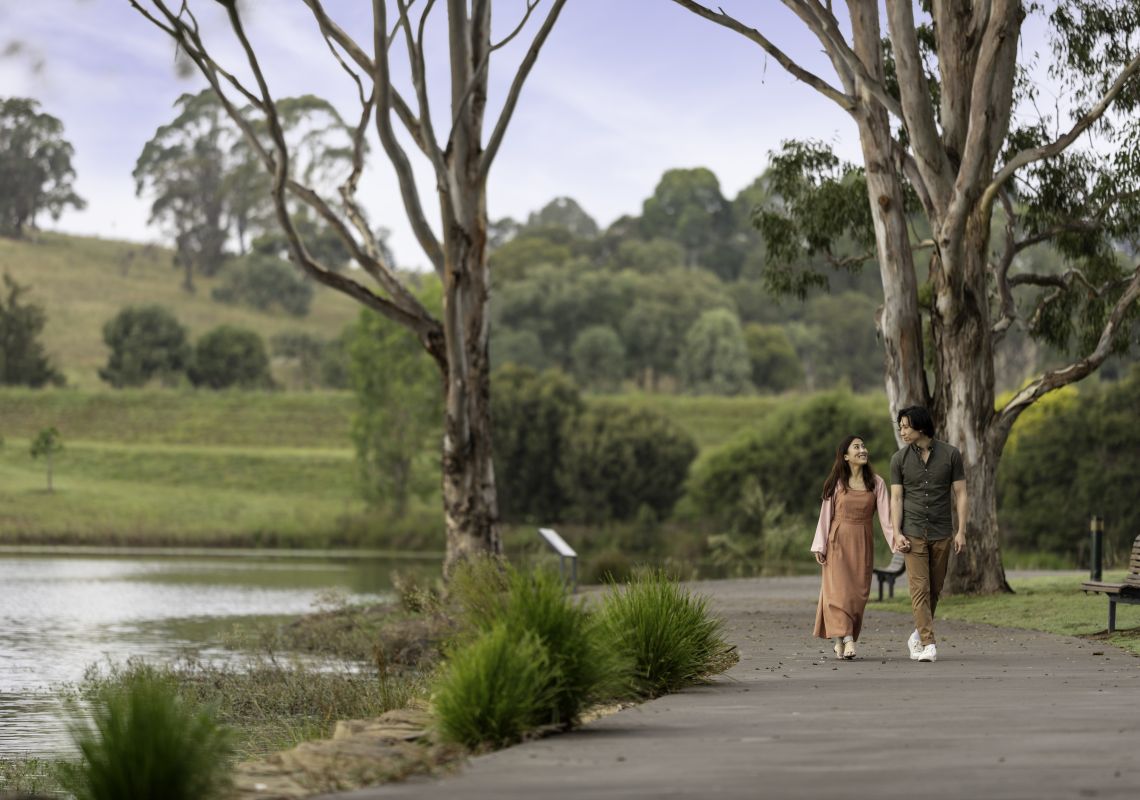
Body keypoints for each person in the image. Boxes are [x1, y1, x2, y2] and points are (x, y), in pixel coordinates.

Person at [889, 406, 967, 664]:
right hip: (912, 533)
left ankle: (916, 635)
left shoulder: (951, 455)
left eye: (905, 426)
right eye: (900, 426)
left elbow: (961, 494)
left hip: (942, 531)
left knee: (934, 589)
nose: (902, 431)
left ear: (920, 427)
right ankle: (929, 643)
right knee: (919, 589)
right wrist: (897, 532)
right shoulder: (898, 459)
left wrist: (961, 531)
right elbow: (897, 497)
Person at [810, 435, 898, 660]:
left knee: (858, 595)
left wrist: (896, 542)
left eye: (863, 446)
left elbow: (887, 519)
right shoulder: (837, 483)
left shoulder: (876, 483)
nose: (863, 450)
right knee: (838, 593)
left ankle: (840, 639)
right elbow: (825, 516)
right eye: (856, 447)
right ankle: (848, 640)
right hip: (837, 541)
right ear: (846, 456)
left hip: (862, 541)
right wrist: (820, 545)